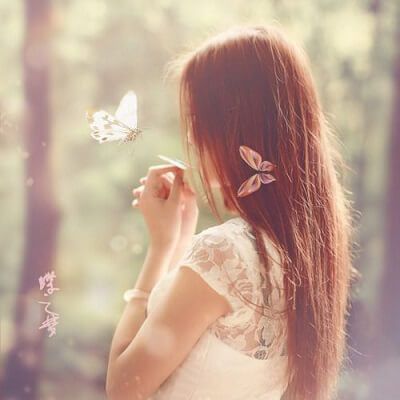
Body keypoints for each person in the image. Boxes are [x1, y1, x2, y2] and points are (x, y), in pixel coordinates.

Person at [105, 23, 355, 400]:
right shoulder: (305, 251)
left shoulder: (223, 255)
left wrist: (159, 249)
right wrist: (180, 239)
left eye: (197, 121)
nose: (191, 139)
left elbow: (124, 389)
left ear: (233, 128)